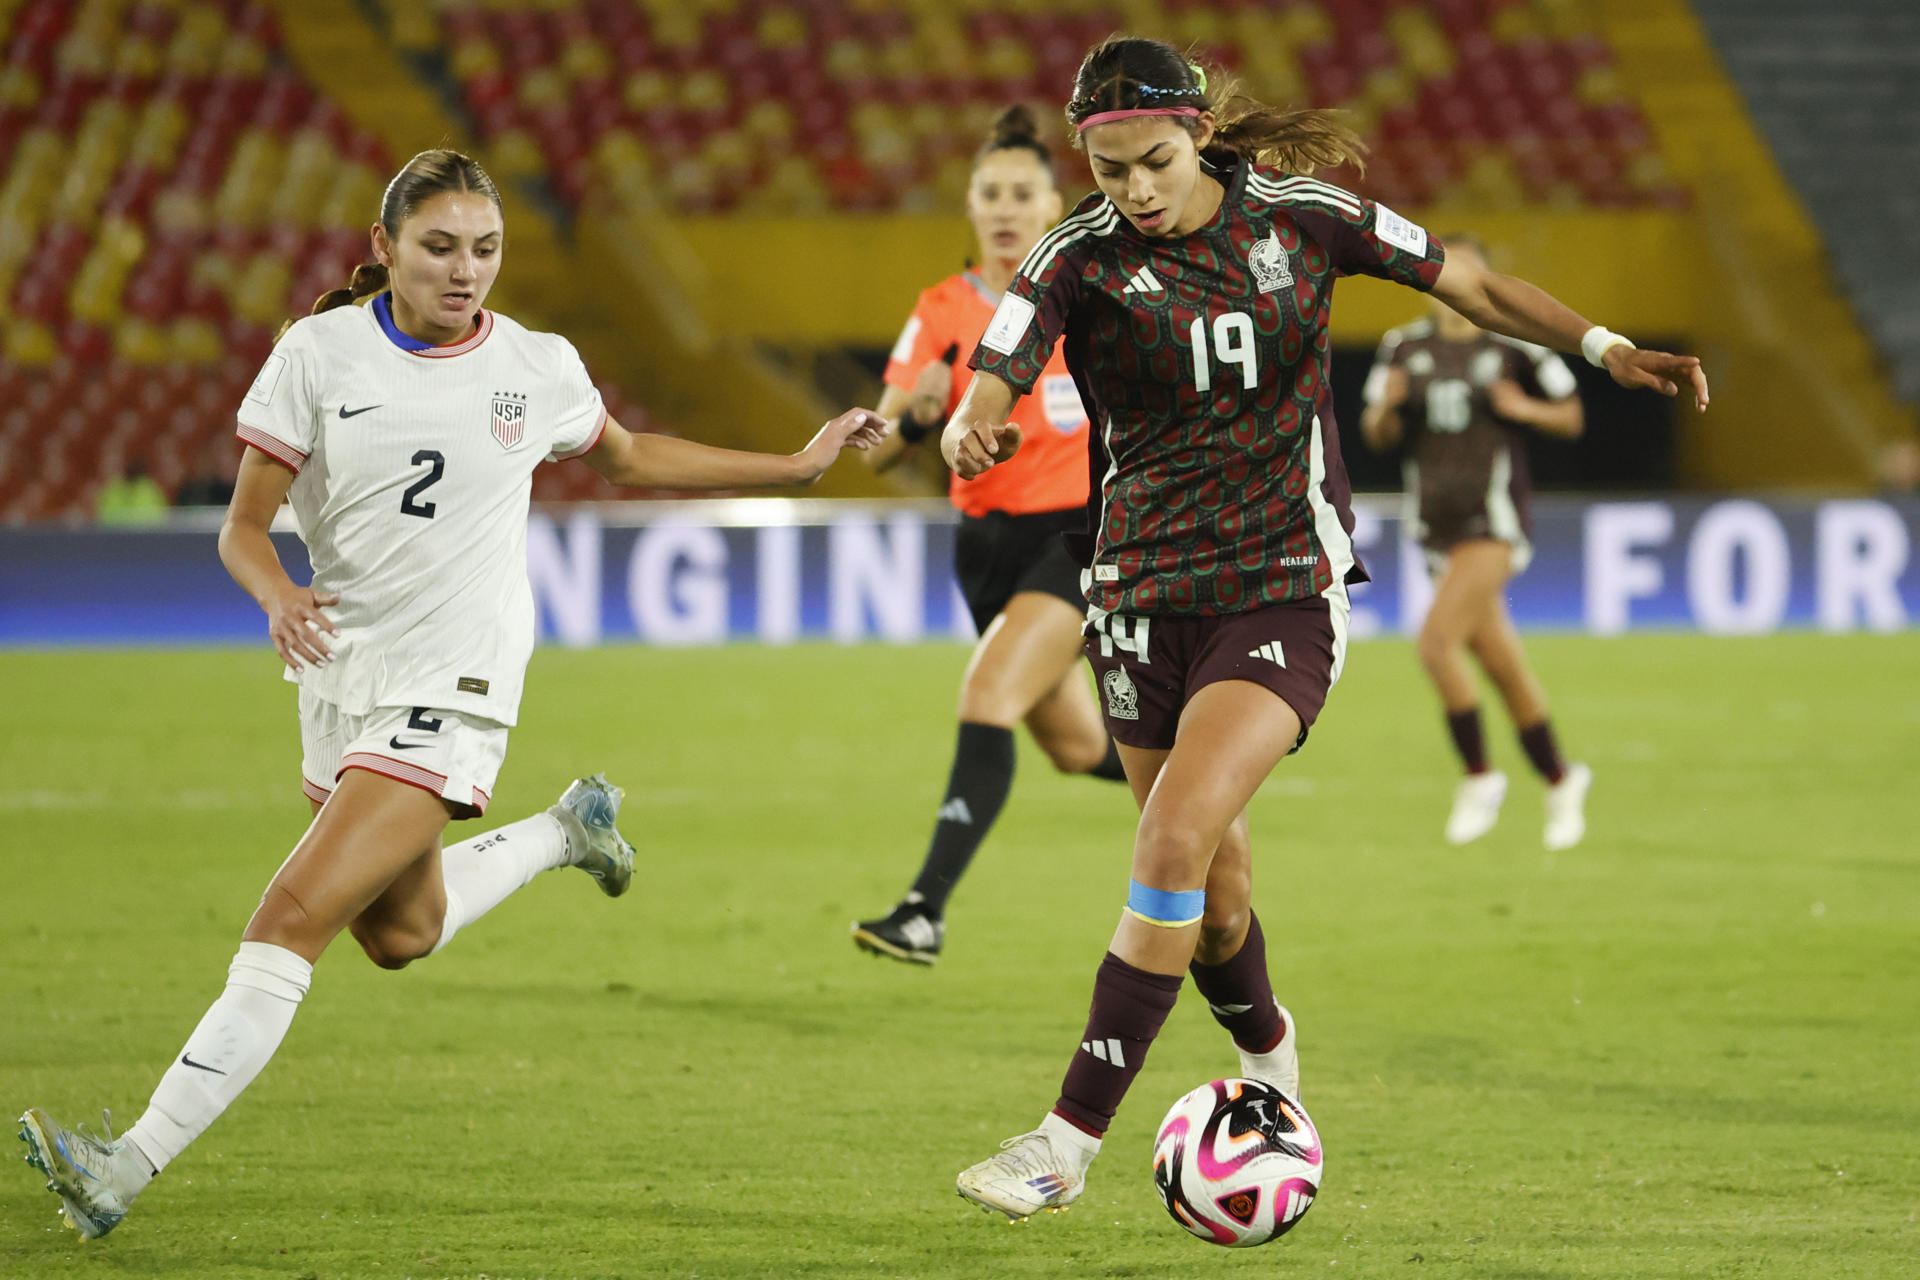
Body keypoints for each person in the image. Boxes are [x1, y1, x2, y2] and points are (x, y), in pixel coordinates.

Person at [17, 149, 888, 1240]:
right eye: (439, 247)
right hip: (340, 669)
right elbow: (244, 524)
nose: (464, 269)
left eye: (484, 249)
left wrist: (796, 467)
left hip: (459, 674)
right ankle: (568, 832)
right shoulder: (317, 355)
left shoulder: (534, 362)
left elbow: (625, 455)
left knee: (294, 916)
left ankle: (125, 1164)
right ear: (384, 249)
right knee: (402, 929)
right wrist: (277, 590)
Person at [936, 39, 1708, 1220]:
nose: (1133, 190)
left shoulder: (1307, 218)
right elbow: (998, 364)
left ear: (1197, 136)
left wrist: (1605, 349)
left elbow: (1473, 286)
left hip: (1281, 587)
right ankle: (1272, 1064)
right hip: (1138, 594)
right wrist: (971, 426)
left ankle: (1063, 1142)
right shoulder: (1074, 254)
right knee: (1219, 889)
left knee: (1169, 844)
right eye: (1108, 171)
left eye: (1152, 162)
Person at [850, 105, 1128, 966]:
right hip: (984, 546)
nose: (1006, 208)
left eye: (1022, 193)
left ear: (1053, 205)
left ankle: (922, 911)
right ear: (971, 206)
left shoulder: (1090, 291)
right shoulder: (939, 311)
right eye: (991, 193)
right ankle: (1207, 772)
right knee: (1078, 746)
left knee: (986, 697)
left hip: (1079, 536)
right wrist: (917, 420)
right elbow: (880, 446)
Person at [1358, 234, 1592, 849]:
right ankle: (1561, 779)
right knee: (1499, 663)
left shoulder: (1512, 343)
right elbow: (1375, 434)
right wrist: (1386, 410)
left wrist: (1524, 410)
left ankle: (1479, 775)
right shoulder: (1402, 346)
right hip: (1436, 523)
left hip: (1495, 521)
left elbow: (1571, 416)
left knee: (1436, 644)